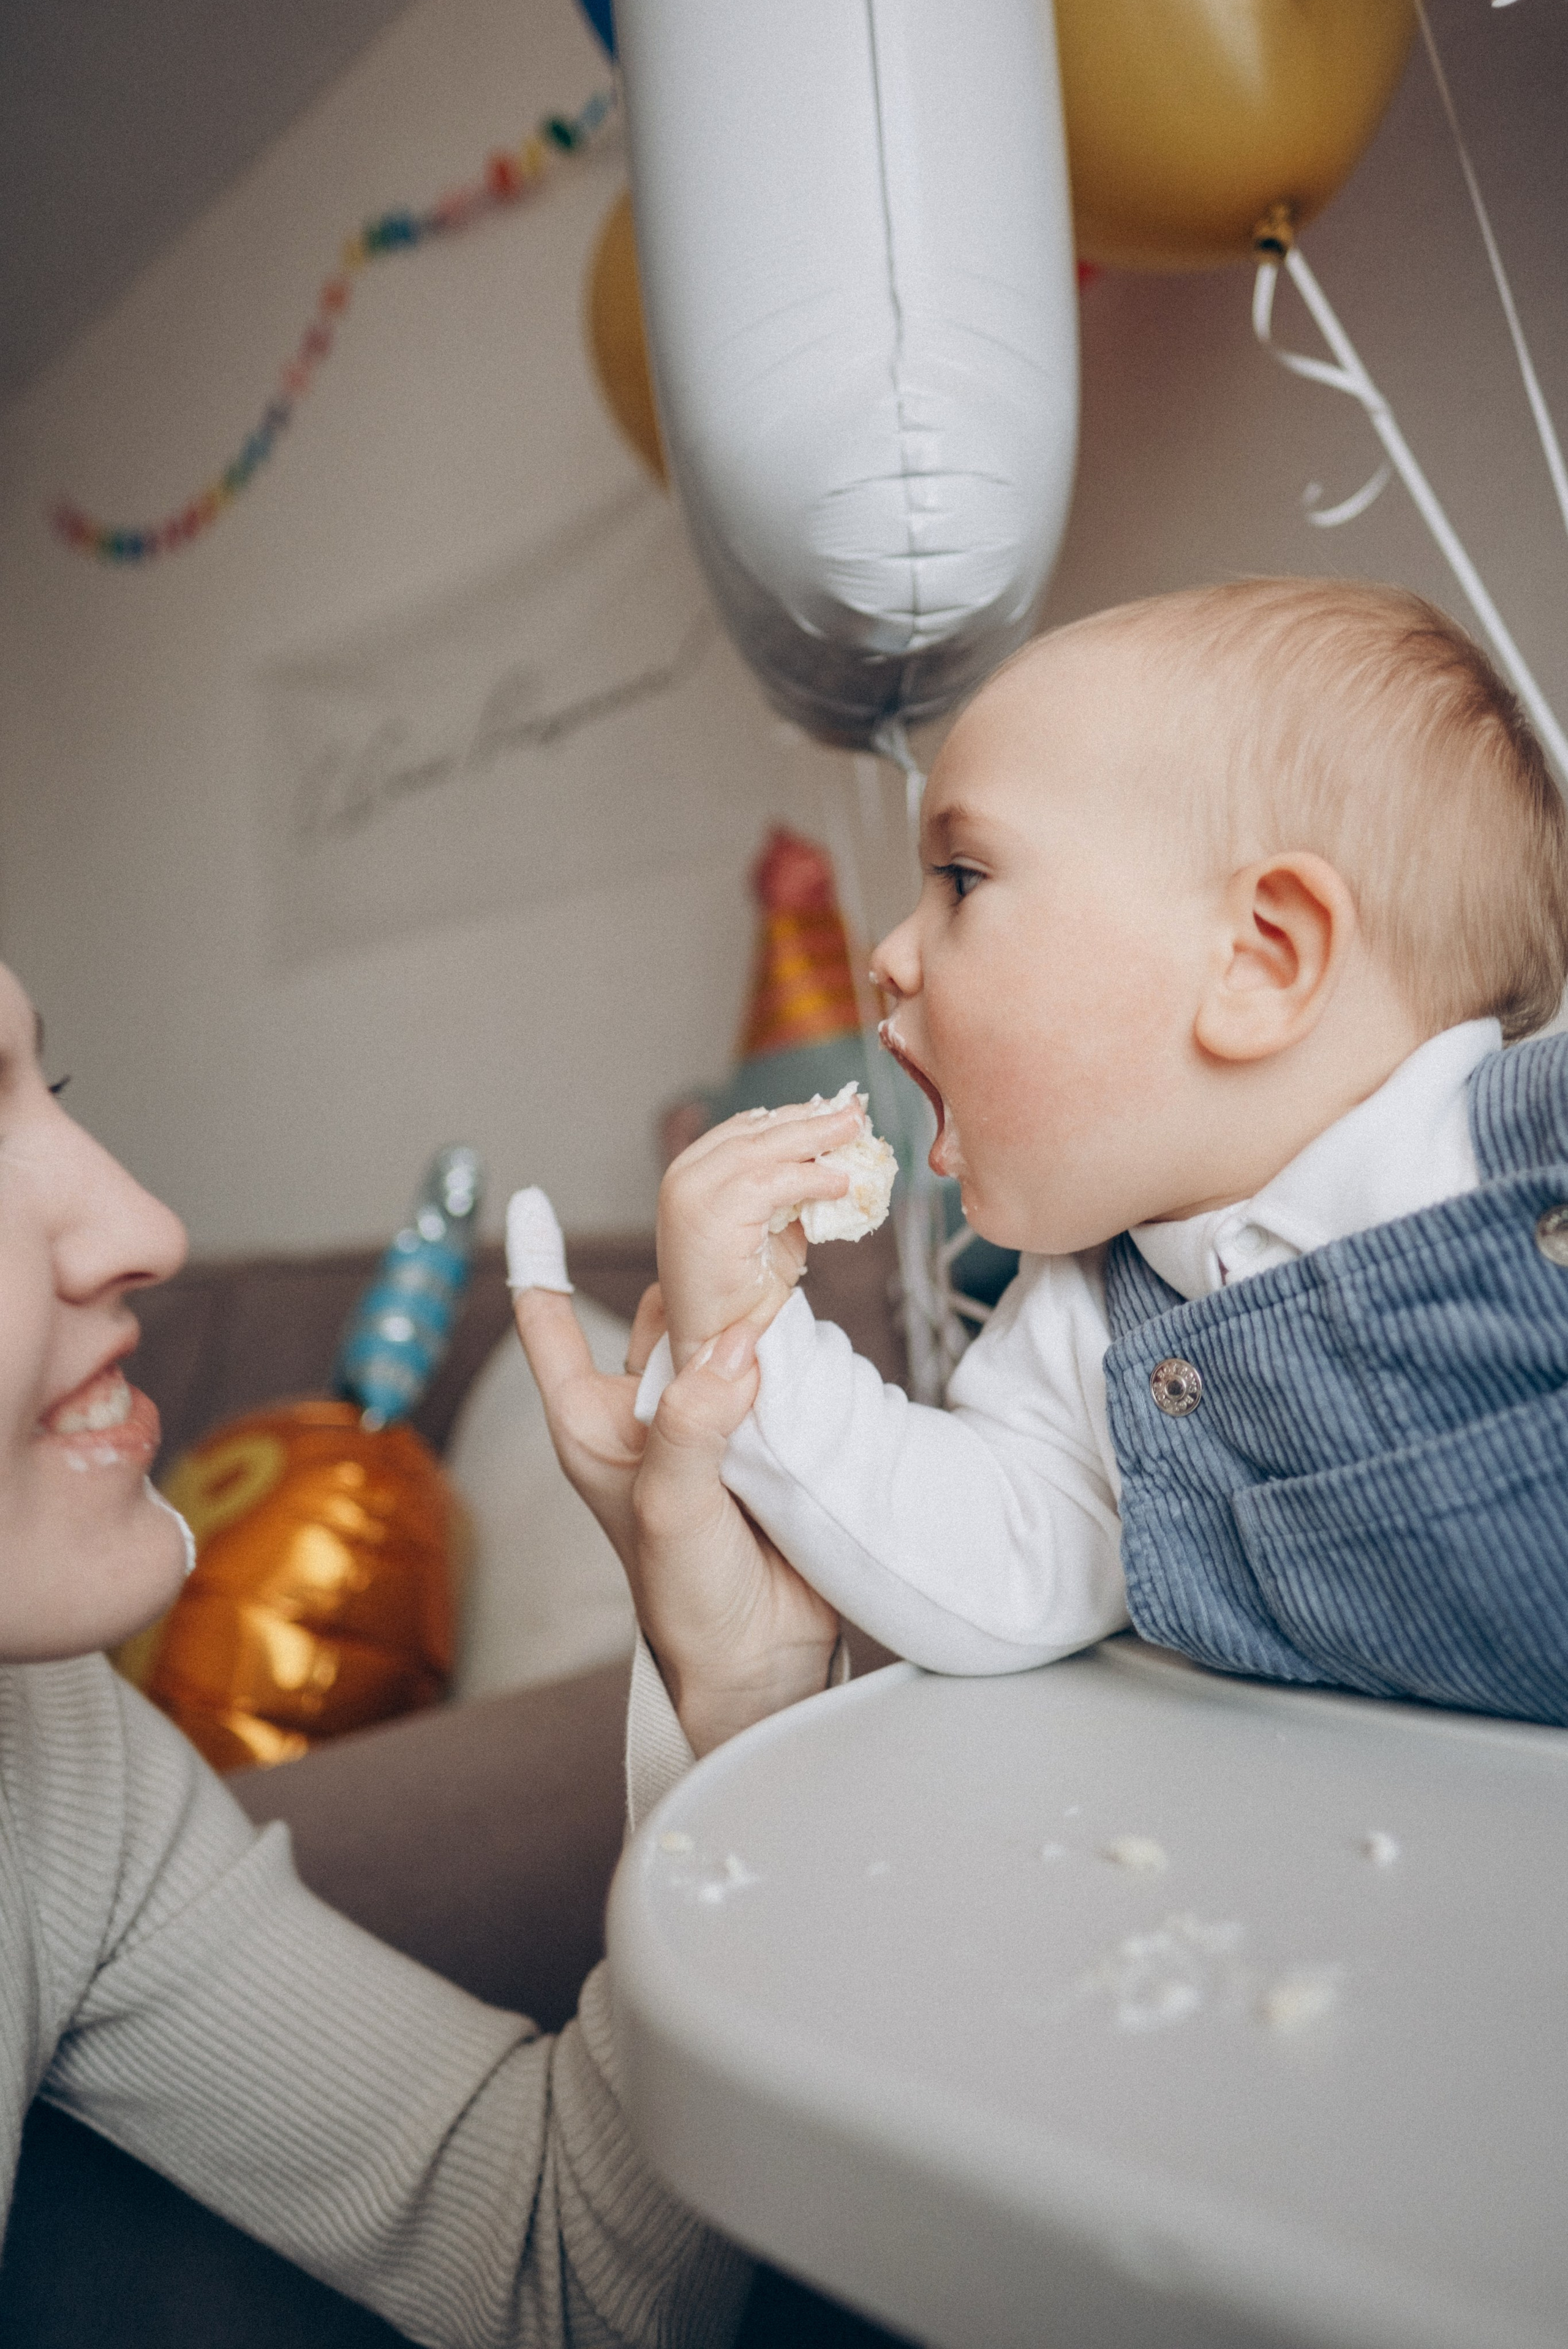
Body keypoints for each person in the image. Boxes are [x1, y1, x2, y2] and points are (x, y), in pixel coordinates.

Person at [0, 948, 843, 2349]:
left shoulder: (56, 1746)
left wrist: (738, 1704)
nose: (145, 1225)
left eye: (49, 1086)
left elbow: (549, 2266)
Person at [628, 578, 1568, 1727]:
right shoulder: (1090, 1314)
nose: (887, 953)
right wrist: (746, 1344)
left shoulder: (1533, 1152)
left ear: (1262, 960)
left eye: (963, 880)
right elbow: (994, 1568)